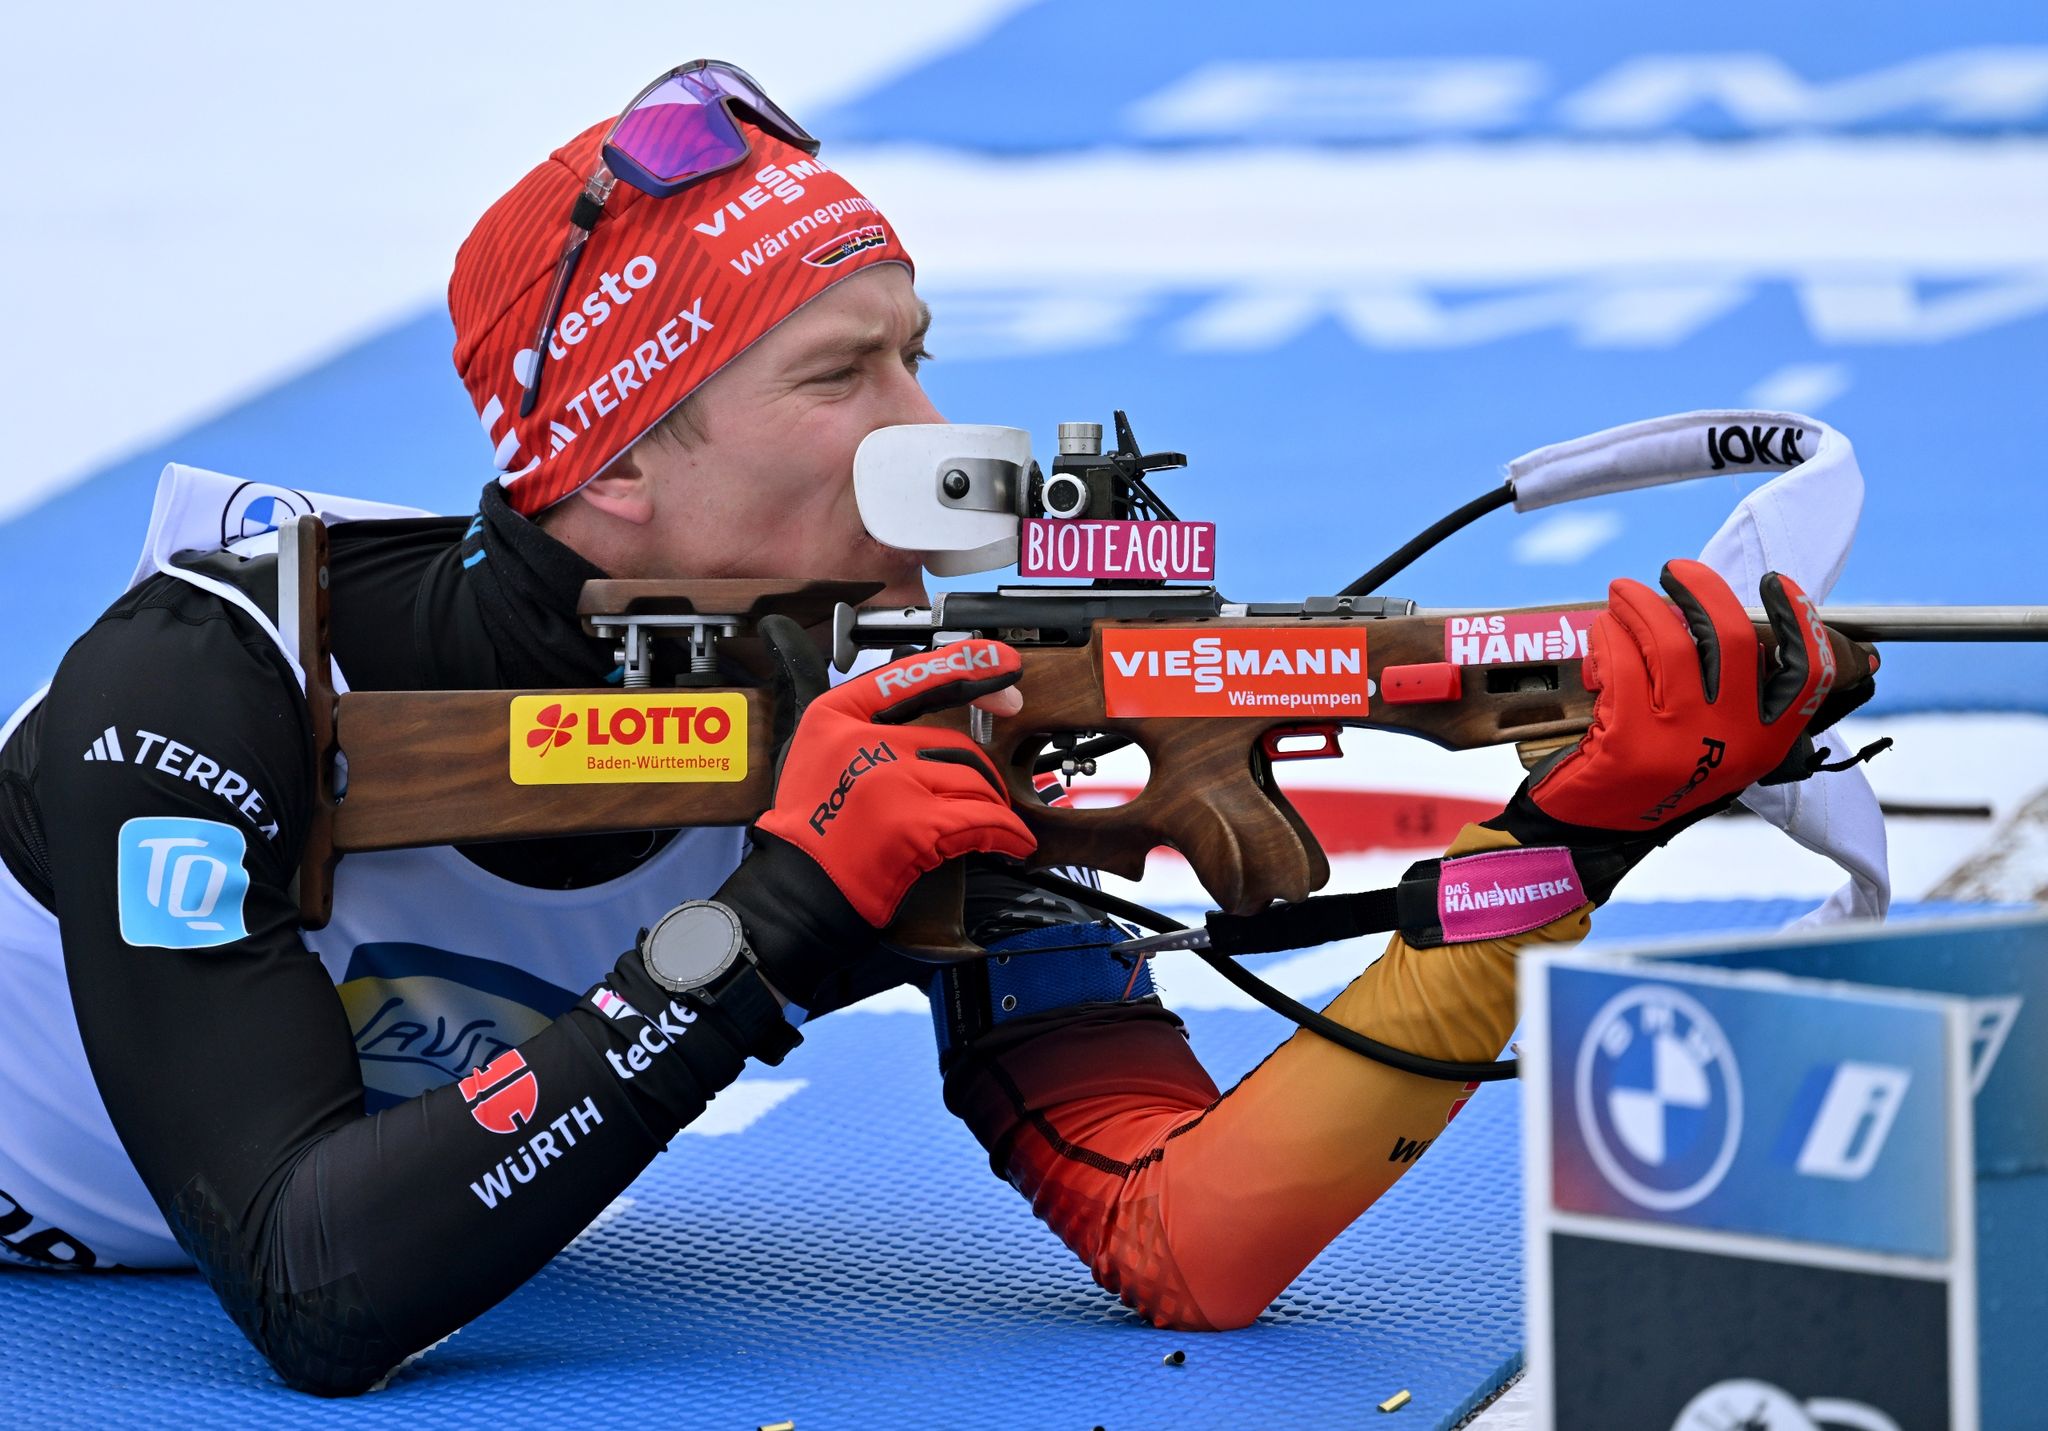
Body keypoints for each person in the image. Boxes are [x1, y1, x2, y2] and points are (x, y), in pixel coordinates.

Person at [0, 62, 1872, 1395]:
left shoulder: (900, 682)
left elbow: (1196, 1242)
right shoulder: (208, 682)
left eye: (920, 349)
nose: (932, 436)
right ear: (621, 461)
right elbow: (311, 1287)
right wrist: (770, 931)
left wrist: (1567, 841)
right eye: (842, 373)